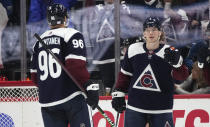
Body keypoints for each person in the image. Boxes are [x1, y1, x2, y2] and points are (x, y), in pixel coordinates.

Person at [111, 17, 189, 127]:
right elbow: (125, 75)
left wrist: (178, 65)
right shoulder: (133, 49)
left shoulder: (170, 52)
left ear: (160, 32)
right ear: (144, 33)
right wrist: (118, 93)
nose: (151, 33)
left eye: (154, 29)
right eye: (147, 30)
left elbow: (181, 77)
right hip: (135, 109)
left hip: (161, 110)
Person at [30, 3, 99, 127]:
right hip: (71, 97)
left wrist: (51, 87)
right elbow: (75, 66)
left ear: (48, 20)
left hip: (48, 101)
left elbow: (35, 77)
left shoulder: (38, 43)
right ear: (65, 18)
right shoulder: (72, 34)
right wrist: (88, 85)